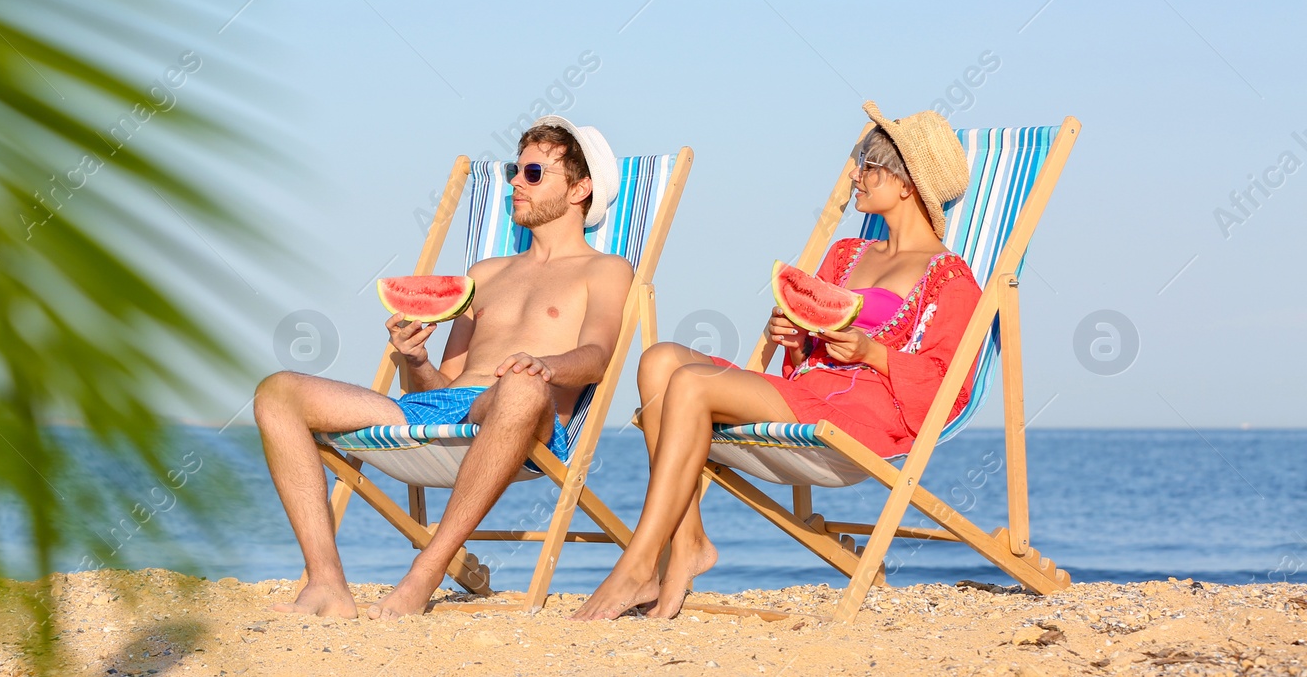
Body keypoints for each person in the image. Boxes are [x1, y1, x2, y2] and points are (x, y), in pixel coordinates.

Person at [573, 101, 982, 621]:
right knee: (659, 361)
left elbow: (950, 385)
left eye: (869, 165)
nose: (855, 175)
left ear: (907, 184)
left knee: (691, 386)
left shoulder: (951, 278)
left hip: (861, 416)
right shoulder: (846, 255)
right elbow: (808, 356)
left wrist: (872, 352)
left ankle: (639, 564)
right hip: (810, 393)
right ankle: (689, 541)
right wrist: (792, 338)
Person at [254, 116, 634, 619]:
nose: (516, 184)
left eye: (534, 174)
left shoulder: (605, 270)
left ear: (581, 189)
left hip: (527, 414)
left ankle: (425, 573)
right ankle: (326, 583)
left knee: (519, 385)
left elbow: (596, 358)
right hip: (448, 410)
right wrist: (416, 358)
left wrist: (542, 366)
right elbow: (444, 385)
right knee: (278, 390)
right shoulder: (484, 274)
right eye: (514, 172)